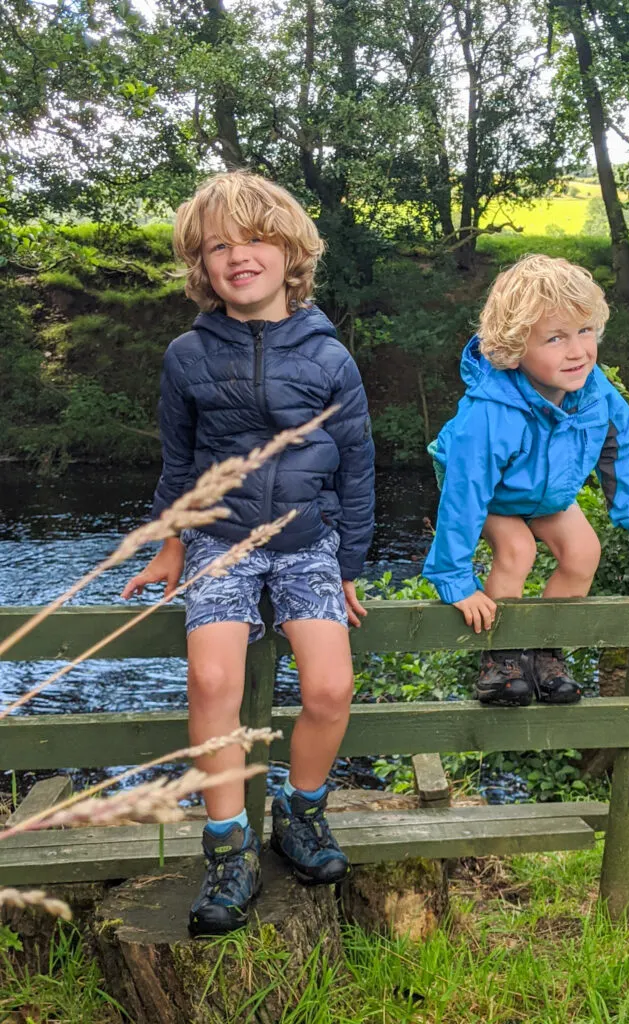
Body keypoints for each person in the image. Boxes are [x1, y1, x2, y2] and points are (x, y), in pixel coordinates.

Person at [121, 170, 375, 936]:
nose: (240, 257)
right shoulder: (187, 356)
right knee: (211, 677)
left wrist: (349, 564)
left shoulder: (330, 358)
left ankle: (301, 814)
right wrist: (170, 544)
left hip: (307, 545)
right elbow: (176, 462)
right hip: (220, 542)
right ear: (202, 266)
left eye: (257, 240)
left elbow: (358, 464)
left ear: (290, 251)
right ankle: (228, 846)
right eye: (219, 246)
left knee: (330, 687)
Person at [423, 254, 629, 706]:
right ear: (514, 346)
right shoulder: (490, 413)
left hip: (547, 490)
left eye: (585, 331)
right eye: (555, 338)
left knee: (584, 551)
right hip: (491, 492)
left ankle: (545, 652)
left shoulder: (595, 392)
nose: (577, 350)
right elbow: (465, 494)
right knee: (517, 549)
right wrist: (454, 577)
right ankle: (501, 661)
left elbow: (619, 449)